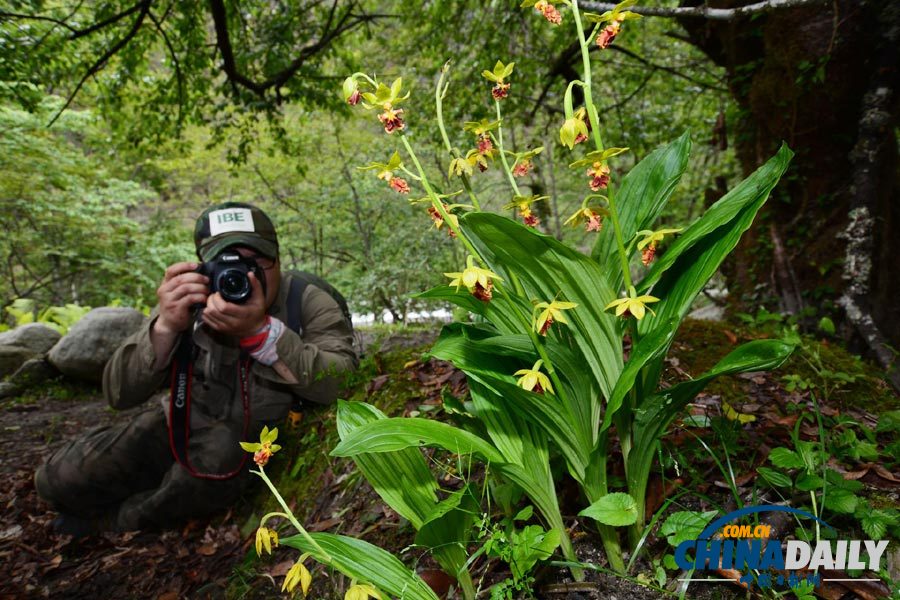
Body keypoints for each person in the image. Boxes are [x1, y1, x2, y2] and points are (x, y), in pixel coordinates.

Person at [35, 202, 357, 535]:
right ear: (203, 266)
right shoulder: (194, 298)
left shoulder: (306, 299)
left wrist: (263, 335)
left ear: (277, 257)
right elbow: (118, 393)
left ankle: (115, 522)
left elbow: (343, 382)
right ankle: (98, 504)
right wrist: (165, 327)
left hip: (254, 441)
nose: (243, 274)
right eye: (225, 260)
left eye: (256, 259)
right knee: (55, 479)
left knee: (211, 465)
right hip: (184, 418)